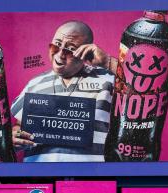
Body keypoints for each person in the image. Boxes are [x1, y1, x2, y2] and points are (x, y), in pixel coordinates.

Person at [10, 20, 118, 162]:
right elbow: (19, 126)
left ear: (85, 52)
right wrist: (14, 137)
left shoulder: (108, 78)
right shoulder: (34, 83)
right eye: (57, 44)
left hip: (90, 176)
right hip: (42, 177)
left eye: (71, 48)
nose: (60, 54)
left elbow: (142, 85)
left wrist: (107, 61)